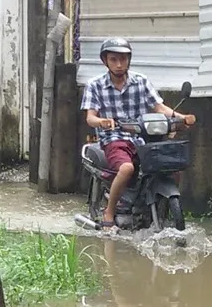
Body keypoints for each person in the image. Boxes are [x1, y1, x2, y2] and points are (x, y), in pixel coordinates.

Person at [82, 37, 195, 228]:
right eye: (114, 59)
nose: (119, 64)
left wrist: (181, 117)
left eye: (123, 59)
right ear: (105, 61)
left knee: (170, 166)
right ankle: (109, 211)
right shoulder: (95, 85)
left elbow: (159, 107)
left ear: (129, 60)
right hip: (114, 138)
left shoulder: (141, 81)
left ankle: (159, 206)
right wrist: (102, 121)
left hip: (143, 137)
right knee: (127, 168)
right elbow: (90, 117)